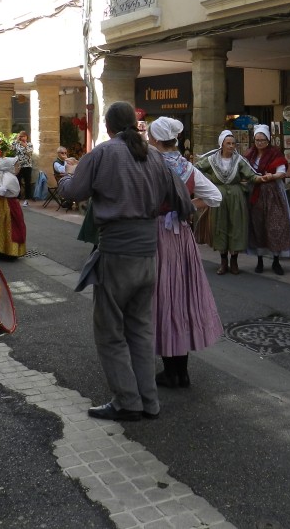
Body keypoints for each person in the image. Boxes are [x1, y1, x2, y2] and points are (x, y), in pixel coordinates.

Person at [58, 101, 192, 421]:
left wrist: (66, 175)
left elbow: (72, 192)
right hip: (148, 254)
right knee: (141, 330)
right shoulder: (155, 156)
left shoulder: (103, 153)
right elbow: (185, 204)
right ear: (135, 123)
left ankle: (127, 401)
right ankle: (149, 401)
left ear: (108, 127)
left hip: (117, 253)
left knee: (110, 332)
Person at [147, 117, 224, 387]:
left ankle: (171, 372)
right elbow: (215, 197)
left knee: (164, 298)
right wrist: (187, 206)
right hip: (181, 237)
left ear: (156, 139)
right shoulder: (187, 167)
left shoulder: (150, 165)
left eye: (149, 135)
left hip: (157, 236)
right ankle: (182, 372)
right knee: (182, 298)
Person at [194, 130, 262, 275]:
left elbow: (251, 175)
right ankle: (223, 261)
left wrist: (262, 178)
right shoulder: (211, 160)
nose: (231, 146)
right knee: (219, 226)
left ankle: (234, 261)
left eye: (233, 143)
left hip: (236, 197)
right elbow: (196, 169)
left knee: (236, 226)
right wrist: (207, 183)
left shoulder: (239, 160)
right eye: (228, 143)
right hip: (218, 197)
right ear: (222, 145)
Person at [244, 124, 290, 275]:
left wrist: (271, 176)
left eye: (262, 140)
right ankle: (260, 260)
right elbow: (244, 171)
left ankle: (276, 260)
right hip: (256, 193)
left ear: (268, 140)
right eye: (257, 140)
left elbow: (282, 172)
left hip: (272, 193)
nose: (260, 143)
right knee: (258, 225)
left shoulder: (275, 154)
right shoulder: (250, 155)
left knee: (275, 226)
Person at [12, 131, 34, 206]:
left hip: (27, 165)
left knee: (27, 182)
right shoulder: (17, 144)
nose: (23, 138)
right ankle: (17, 197)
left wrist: (25, 146)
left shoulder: (29, 144)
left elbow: (29, 153)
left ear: (27, 137)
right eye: (21, 136)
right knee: (17, 181)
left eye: (24, 136)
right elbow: (11, 149)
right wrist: (16, 140)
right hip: (18, 166)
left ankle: (27, 199)